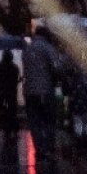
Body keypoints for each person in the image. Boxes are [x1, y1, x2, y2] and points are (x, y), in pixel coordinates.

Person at [20, 24, 64, 158]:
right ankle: (48, 148)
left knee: (35, 122)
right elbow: (56, 68)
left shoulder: (27, 49)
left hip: (29, 91)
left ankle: (39, 148)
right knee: (49, 120)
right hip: (45, 90)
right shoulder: (48, 48)